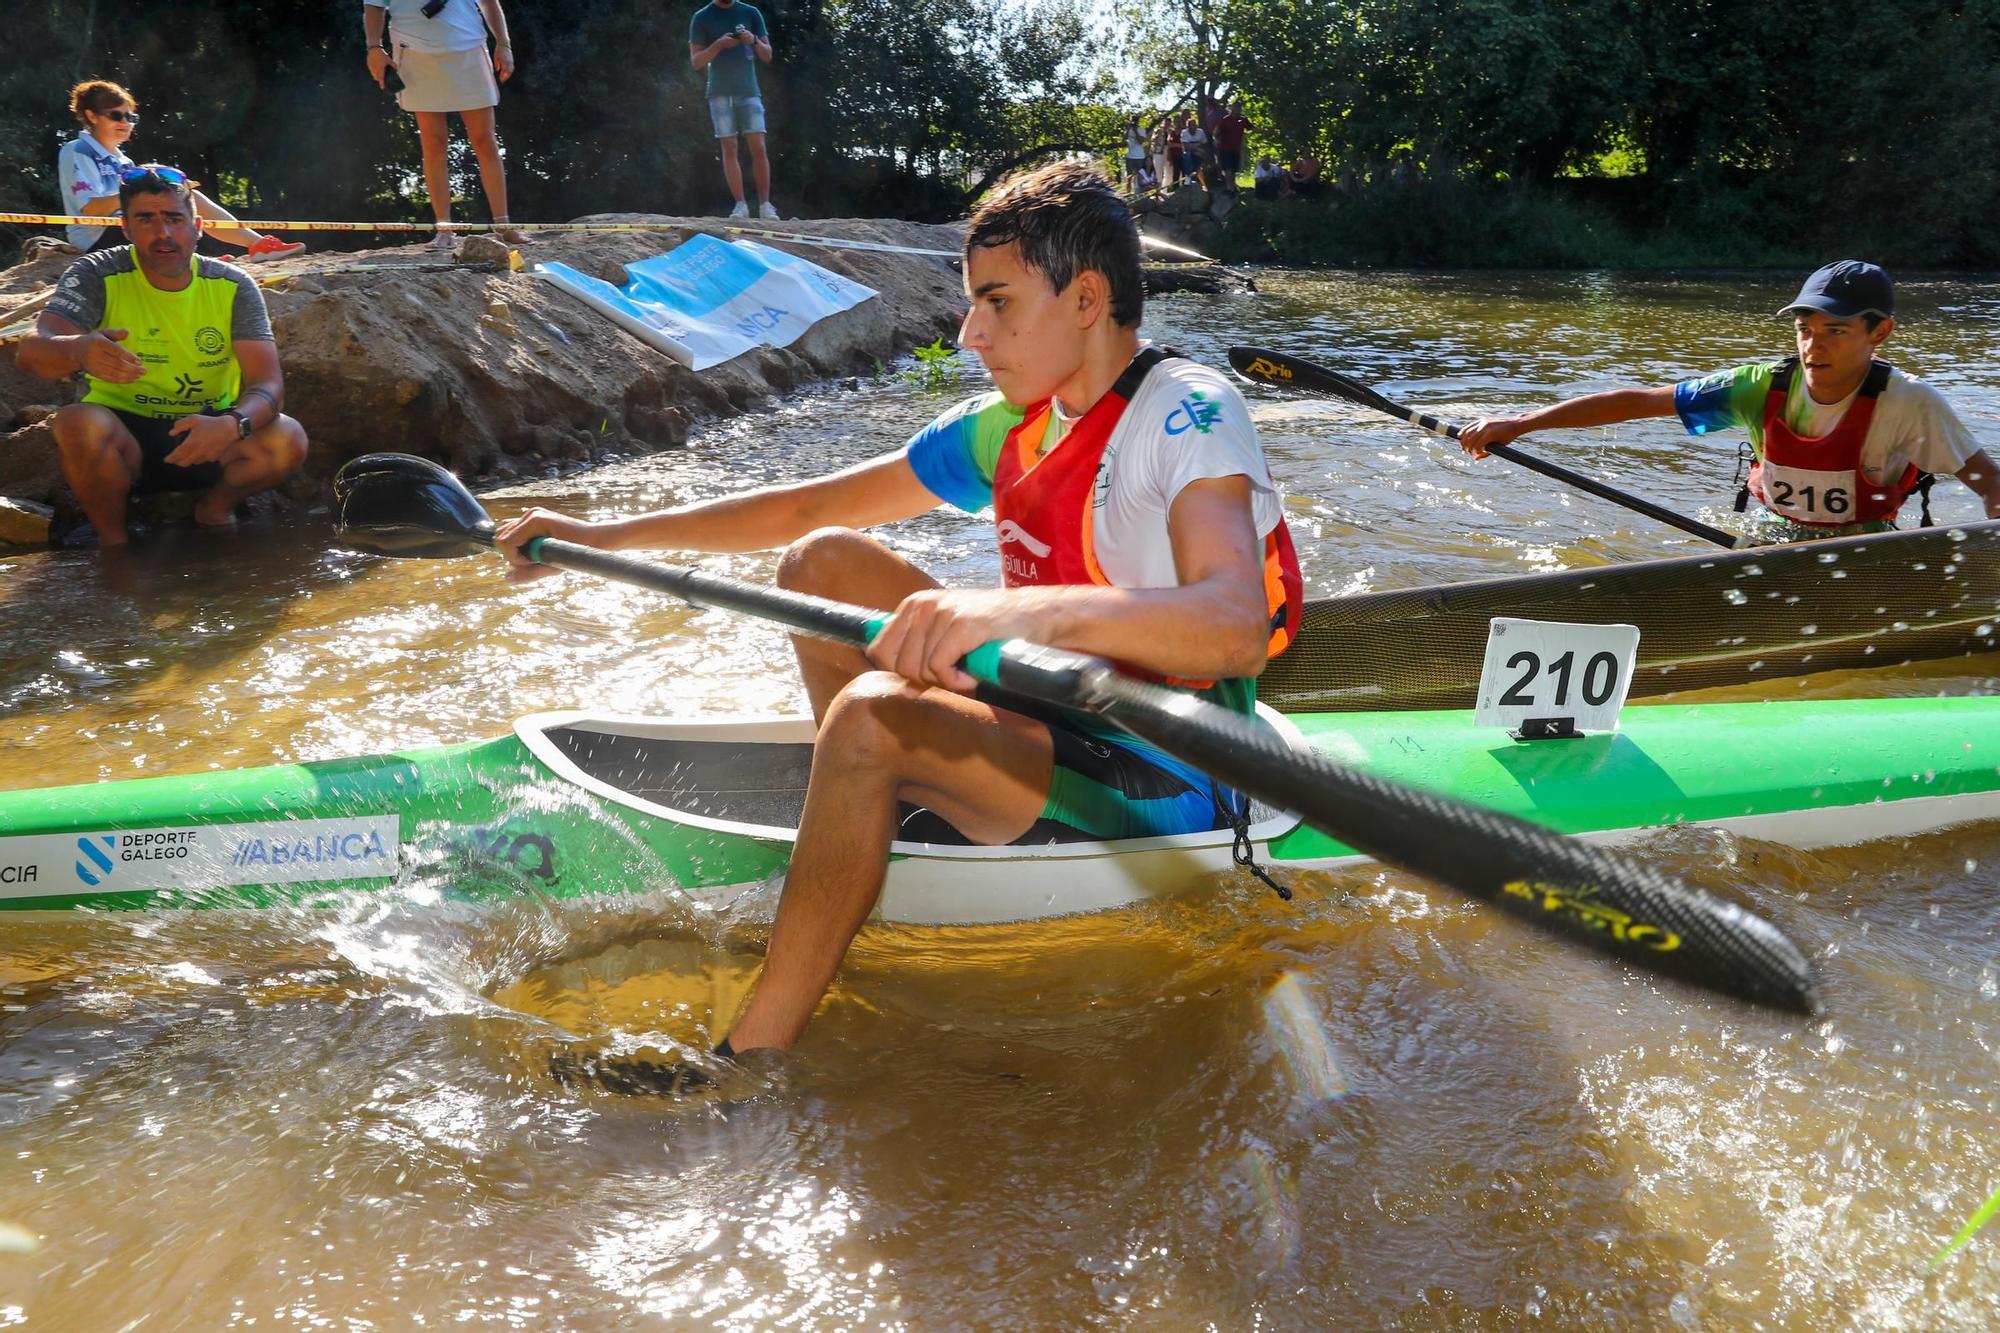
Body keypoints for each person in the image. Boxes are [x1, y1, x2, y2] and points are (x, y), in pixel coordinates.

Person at [495, 162, 1303, 1071]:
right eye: (972, 304)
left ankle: (747, 1061)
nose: (969, 333)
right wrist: (603, 534)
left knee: (872, 712)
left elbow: (1233, 624)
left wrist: (1015, 611)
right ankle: (867, 818)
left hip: (1174, 762)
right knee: (820, 564)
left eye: (996, 303)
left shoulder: (1190, 412)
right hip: (1059, 716)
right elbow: (800, 510)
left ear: (1086, 298)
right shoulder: (1013, 426)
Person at [1458, 262, 2000, 539]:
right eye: (1805, 329)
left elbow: (1988, 484)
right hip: (1769, 530)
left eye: (1835, 331)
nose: (1814, 345)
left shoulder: (1909, 403)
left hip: (1864, 544)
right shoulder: (1757, 386)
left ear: (1879, 333)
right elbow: (1637, 401)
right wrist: (1521, 424)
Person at [15, 168, 309, 547]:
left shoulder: (233, 285)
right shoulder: (97, 272)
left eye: (173, 218)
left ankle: (215, 509)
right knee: (75, 422)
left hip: (212, 434)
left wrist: (233, 424)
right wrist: (77, 349)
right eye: (146, 219)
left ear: (197, 226)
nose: (163, 233)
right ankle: (114, 544)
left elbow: (268, 384)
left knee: (289, 438)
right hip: (125, 441)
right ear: (125, 227)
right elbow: (31, 350)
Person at [57, 80, 304, 262]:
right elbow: (89, 208)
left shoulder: (123, 160)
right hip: (96, 241)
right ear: (92, 116)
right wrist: (142, 189)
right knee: (174, 201)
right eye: (116, 115)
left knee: (183, 199)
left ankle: (251, 247)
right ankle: (243, 249)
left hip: (128, 230)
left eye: (131, 117)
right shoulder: (78, 150)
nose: (125, 123)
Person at [363, 0, 530, 250]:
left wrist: (503, 44)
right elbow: (374, 6)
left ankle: (504, 227)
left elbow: (489, 3)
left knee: (484, 140)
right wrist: (374, 48)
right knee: (433, 145)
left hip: (469, 48)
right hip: (414, 52)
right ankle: (444, 230)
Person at [689, 0, 779, 220]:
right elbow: (696, 62)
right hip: (719, 92)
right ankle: (740, 205)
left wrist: (754, 40)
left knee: (758, 146)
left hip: (749, 89)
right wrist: (718, 44)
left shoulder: (750, 12)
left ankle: (766, 205)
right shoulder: (701, 17)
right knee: (729, 147)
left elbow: (767, 55)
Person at [1213, 102, 1251, 192]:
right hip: (1225, 149)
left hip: (1236, 149)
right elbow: (1216, 132)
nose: (1238, 109)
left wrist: (1265, 131)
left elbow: (1252, 128)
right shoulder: (1225, 120)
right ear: (1231, 109)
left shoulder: (1243, 119)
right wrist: (1216, 140)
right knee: (1228, 170)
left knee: (1234, 170)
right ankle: (1229, 188)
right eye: (1236, 107)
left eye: (1239, 108)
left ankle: (1232, 187)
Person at [1180, 115, 1208, 190]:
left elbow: (1204, 143)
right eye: (1191, 125)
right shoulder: (1184, 132)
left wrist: (1194, 146)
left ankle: (1204, 184)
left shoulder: (1200, 132)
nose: (1193, 126)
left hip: (1199, 152)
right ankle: (1188, 176)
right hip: (1189, 152)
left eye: (1194, 124)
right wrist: (1197, 146)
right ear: (1187, 126)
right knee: (1187, 155)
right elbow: (1186, 146)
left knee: (1199, 167)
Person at [1123, 117, 1148, 194]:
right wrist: (1128, 129)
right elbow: (1124, 139)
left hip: (1140, 156)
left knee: (1139, 177)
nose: (1134, 123)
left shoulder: (1142, 130)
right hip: (1130, 156)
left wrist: (1135, 131)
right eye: (1133, 121)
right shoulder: (1128, 130)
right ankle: (1128, 193)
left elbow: (1141, 141)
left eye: (1136, 121)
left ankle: (1138, 193)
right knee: (1129, 177)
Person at [1149, 117, 1173, 191]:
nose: (1167, 125)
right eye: (1166, 123)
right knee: (1158, 172)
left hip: (1168, 151)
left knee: (1169, 172)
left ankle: (1164, 189)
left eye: (1168, 124)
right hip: (1158, 152)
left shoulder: (1171, 132)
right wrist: (1158, 136)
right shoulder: (1157, 130)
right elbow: (1152, 140)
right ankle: (1158, 190)